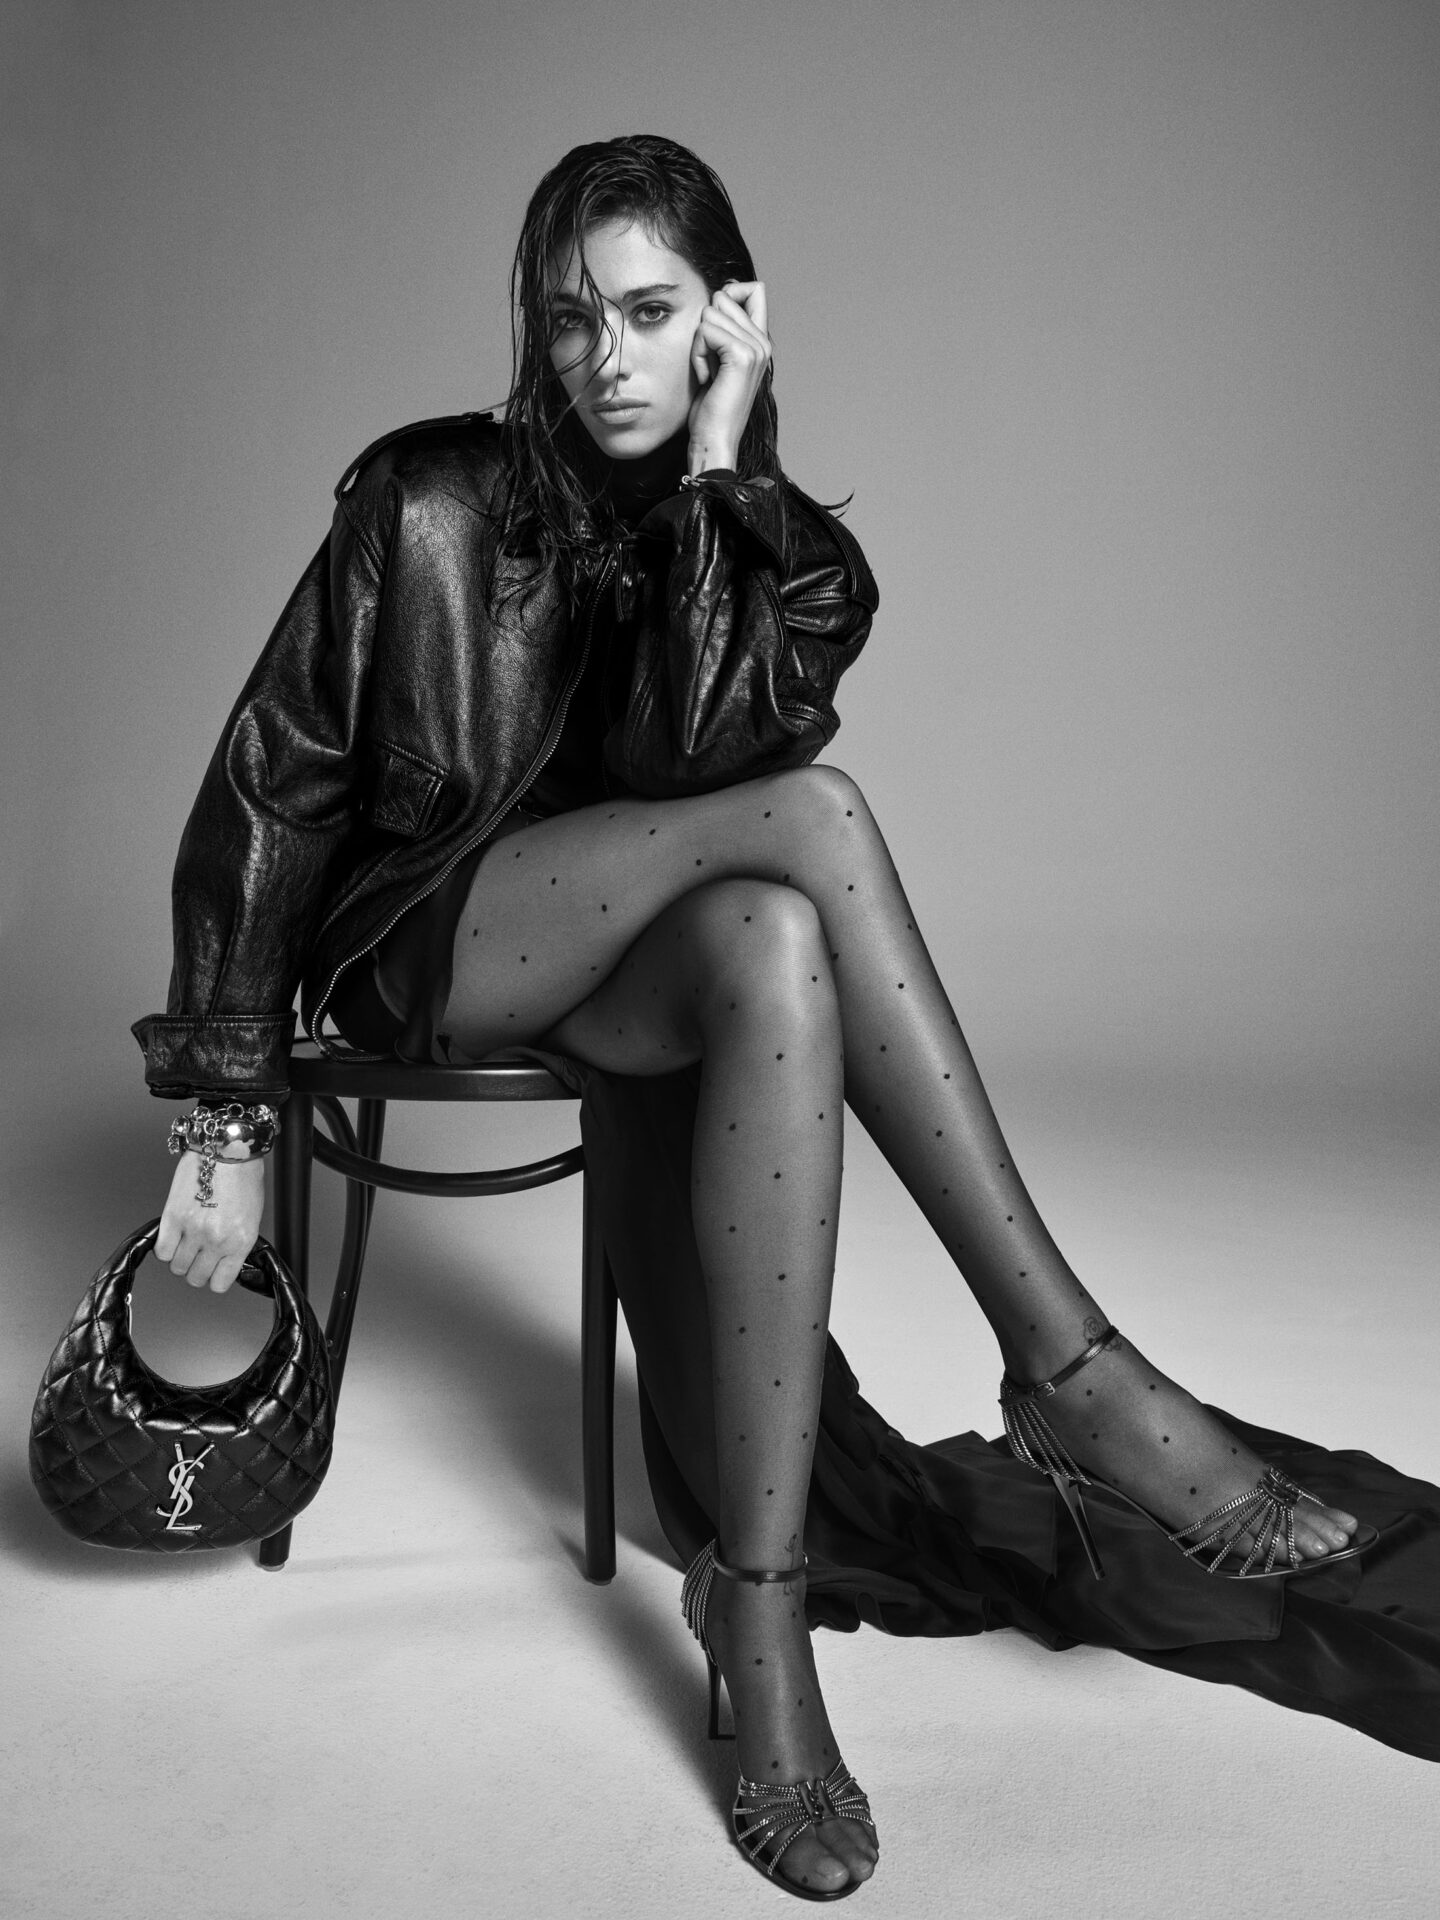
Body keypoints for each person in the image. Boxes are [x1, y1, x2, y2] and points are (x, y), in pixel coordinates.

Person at [136, 135, 1403, 1903]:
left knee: (779, 940)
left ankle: (762, 1597)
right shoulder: (425, 499)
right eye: (571, 319)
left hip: (624, 956)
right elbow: (271, 780)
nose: (607, 358)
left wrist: (723, 476)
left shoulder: (782, 559)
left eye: (654, 315)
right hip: (430, 935)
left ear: (729, 321)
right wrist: (225, 1111)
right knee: (821, 820)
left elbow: (692, 762)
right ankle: (1075, 1375)